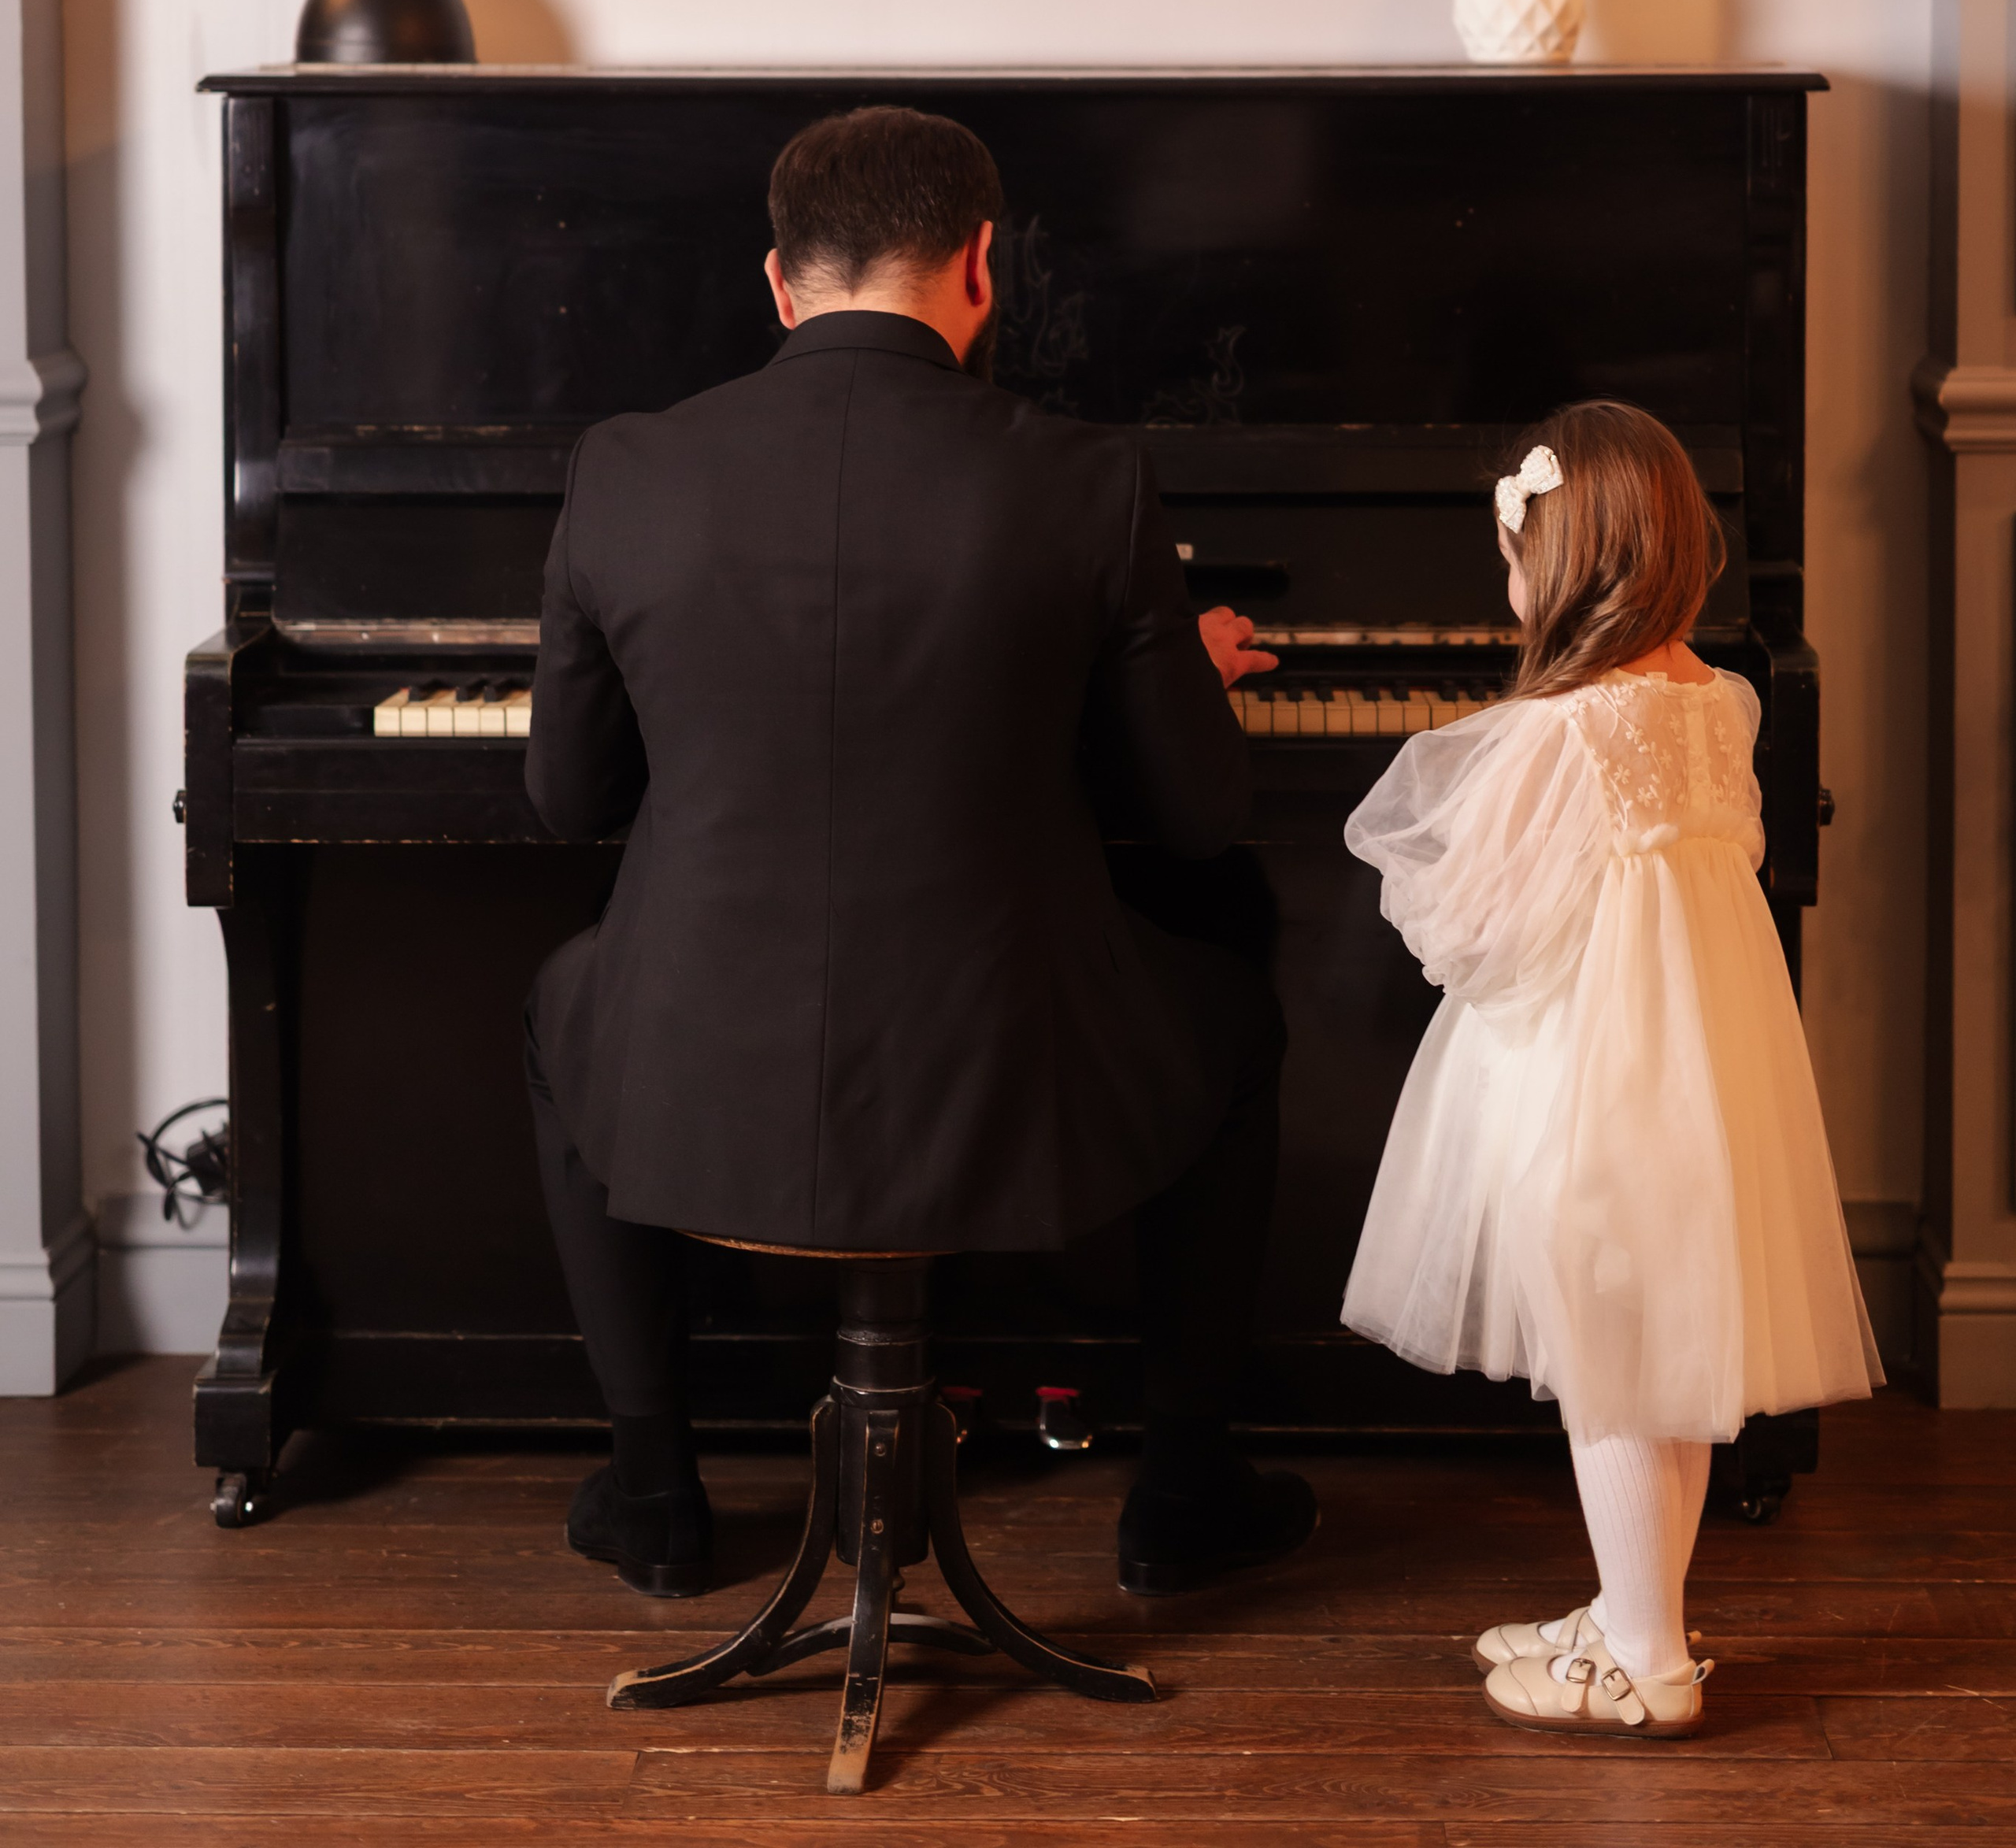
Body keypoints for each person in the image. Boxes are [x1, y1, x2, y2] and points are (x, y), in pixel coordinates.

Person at [522, 103, 1317, 1603]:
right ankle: (1184, 1492)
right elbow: (1200, 817)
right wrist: (1172, 674)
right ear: (981, 266)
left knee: (569, 1004)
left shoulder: (623, 468)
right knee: (1237, 1019)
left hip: (705, 1053)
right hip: (1005, 1058)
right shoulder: (1090, 479)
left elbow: (568, 799)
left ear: (779, 282)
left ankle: (656, 1492)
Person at [1342, 401, 1881, 1739]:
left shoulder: (1560, 729)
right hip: (1702, 1073)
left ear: (1563, 562)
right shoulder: (1720, 702)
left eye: (1513, 554)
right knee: (1658, 1341)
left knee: (1609, 1355)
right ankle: (1633, 1604)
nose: (1507, 580)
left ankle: (1648, 1659)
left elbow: (1465, 921)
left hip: (1586, 1080)